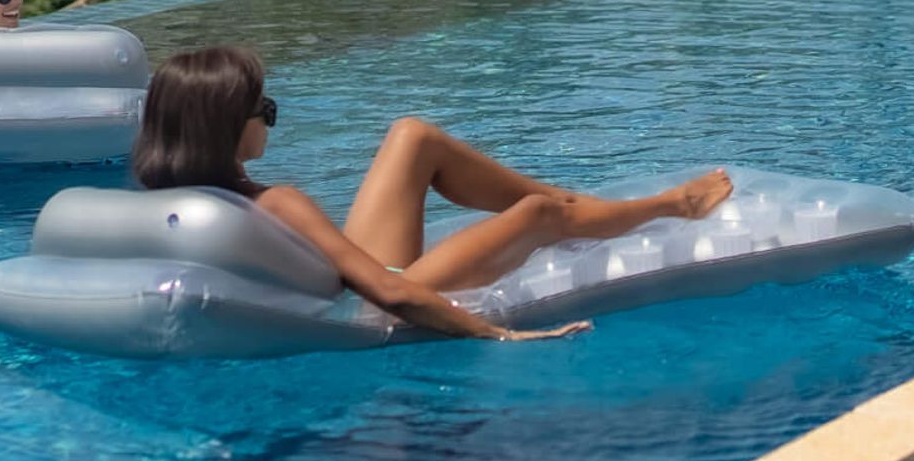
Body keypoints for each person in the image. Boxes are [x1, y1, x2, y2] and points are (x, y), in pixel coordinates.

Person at [130, 46, 734, 342]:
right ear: (223, 124)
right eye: (262, 108)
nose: (269, 118)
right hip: (386, 294)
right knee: (537, 215)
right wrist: (500, 335)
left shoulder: (169, 194)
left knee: (412, 137)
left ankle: (583, 208)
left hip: (353, 280)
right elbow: (392, 291)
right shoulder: (278, 200)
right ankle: (672, 205)